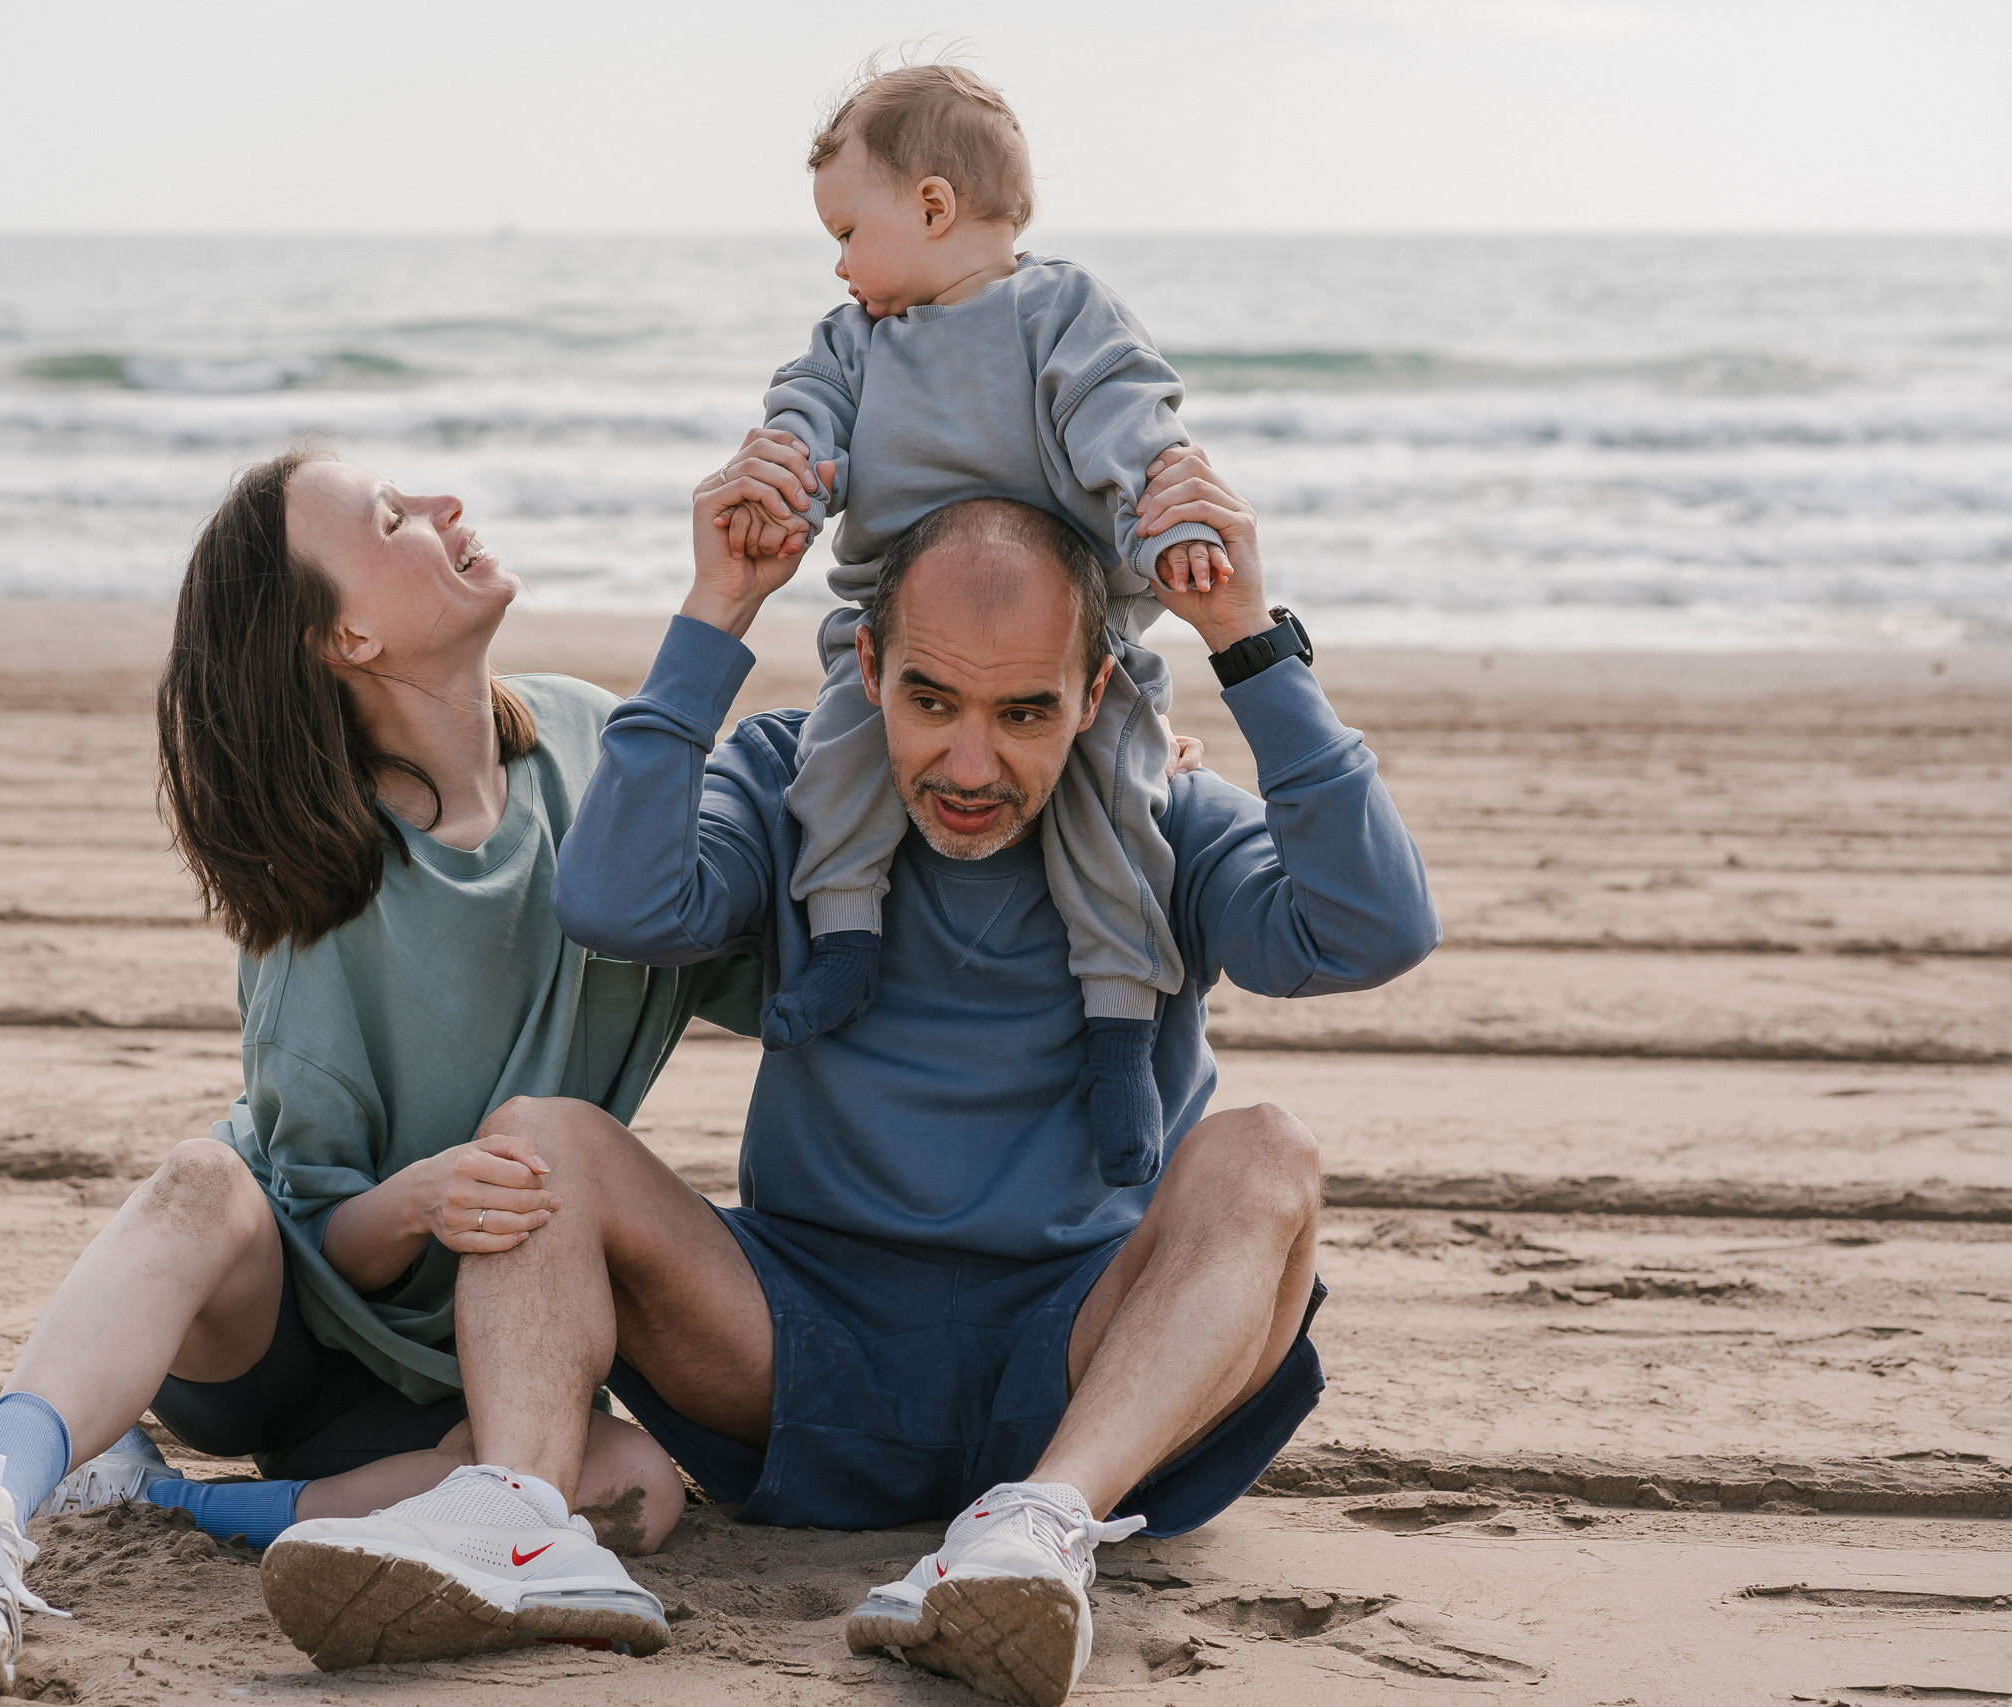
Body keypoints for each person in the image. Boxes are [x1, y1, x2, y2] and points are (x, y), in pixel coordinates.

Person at [254, 438, 1441, 1707]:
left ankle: (1034, 1531)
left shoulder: (1157, 818)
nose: (971, 764)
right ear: (868, 664)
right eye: (931, 699)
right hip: (796, 1343)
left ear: (1095, 694)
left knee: (1267, 1152)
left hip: (1085, 1360)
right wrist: (719, 608)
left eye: (1024, 712)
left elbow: (1372, 929)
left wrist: (1250, 642)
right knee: (540, 1139)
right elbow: (613, 900)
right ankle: (520, 1523)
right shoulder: (788, 784)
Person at [0, 450, 756, 1695]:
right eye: (393, 520)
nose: (444, 507)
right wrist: (425, 1197)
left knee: (637, 1493)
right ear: (349, 634)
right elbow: (319, 1223)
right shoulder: (325, 892)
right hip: (279, 1331)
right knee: (196, 1182)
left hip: (477, 1341)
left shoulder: (603, 744)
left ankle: (183, 1505)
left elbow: (734, 962)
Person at [729, 60, 1236, 1191]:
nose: (840, 263)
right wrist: (787, 482)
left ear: (931, 207)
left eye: (846, 229)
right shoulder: (854, 342)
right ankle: (847, 940)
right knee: (838, 769)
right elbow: (802, 412)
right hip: (893, 628)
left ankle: (1117, 1032)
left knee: (1115, 827)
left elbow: (1126, 421)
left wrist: (1163, 531)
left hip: (1064, 647)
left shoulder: (1058, 311)